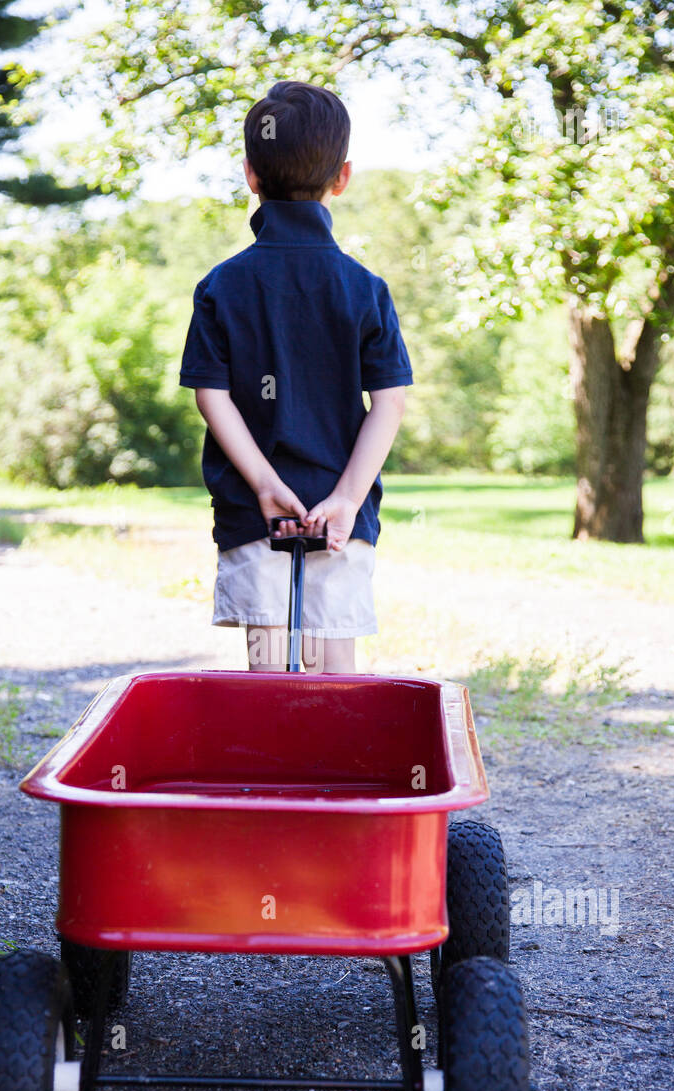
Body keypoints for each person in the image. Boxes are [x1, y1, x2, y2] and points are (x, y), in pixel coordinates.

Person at [179, 80, 412, 674]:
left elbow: (214, 397)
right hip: (341, 517)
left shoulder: (222, 285)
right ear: (344, 176)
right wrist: (345, 499)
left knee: (265, 687)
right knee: (337, 680)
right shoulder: (365, 288)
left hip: (253, 511)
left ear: (251, 174)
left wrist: (262, 483)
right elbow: (389, 404)